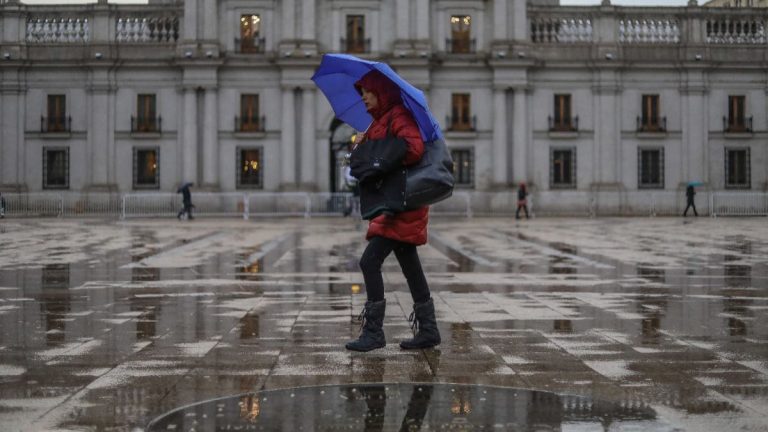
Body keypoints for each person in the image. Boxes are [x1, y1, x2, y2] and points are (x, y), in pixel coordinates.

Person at [345, 69, 441, 352]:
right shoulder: (380, 122)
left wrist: (381, 155)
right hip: (395, 204)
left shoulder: (397, 116)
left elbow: (413, 148)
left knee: (369, 262)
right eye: (361, 93)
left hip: (400, 204)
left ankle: (374, 332)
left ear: (380, 92)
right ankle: (429, 330)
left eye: (367, 92)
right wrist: (364, 145)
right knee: (410, 265)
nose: (363, 98)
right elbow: (373, 157)